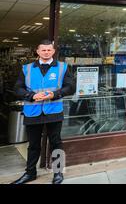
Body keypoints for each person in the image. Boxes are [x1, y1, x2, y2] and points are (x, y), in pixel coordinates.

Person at [11, 40, 74, 184]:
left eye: (49, 50)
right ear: (37, 52)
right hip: (32, 111)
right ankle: (30, 173)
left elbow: (71, 87)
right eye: (43, 50)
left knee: (56, 143)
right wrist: (31, 96)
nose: (46, 52)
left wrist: (55, 94)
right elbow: (17, 88)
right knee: (33, 145)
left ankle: (58, 173)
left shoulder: (62, 67)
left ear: (53, 51)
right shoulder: (26, 68)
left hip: (54, 111)